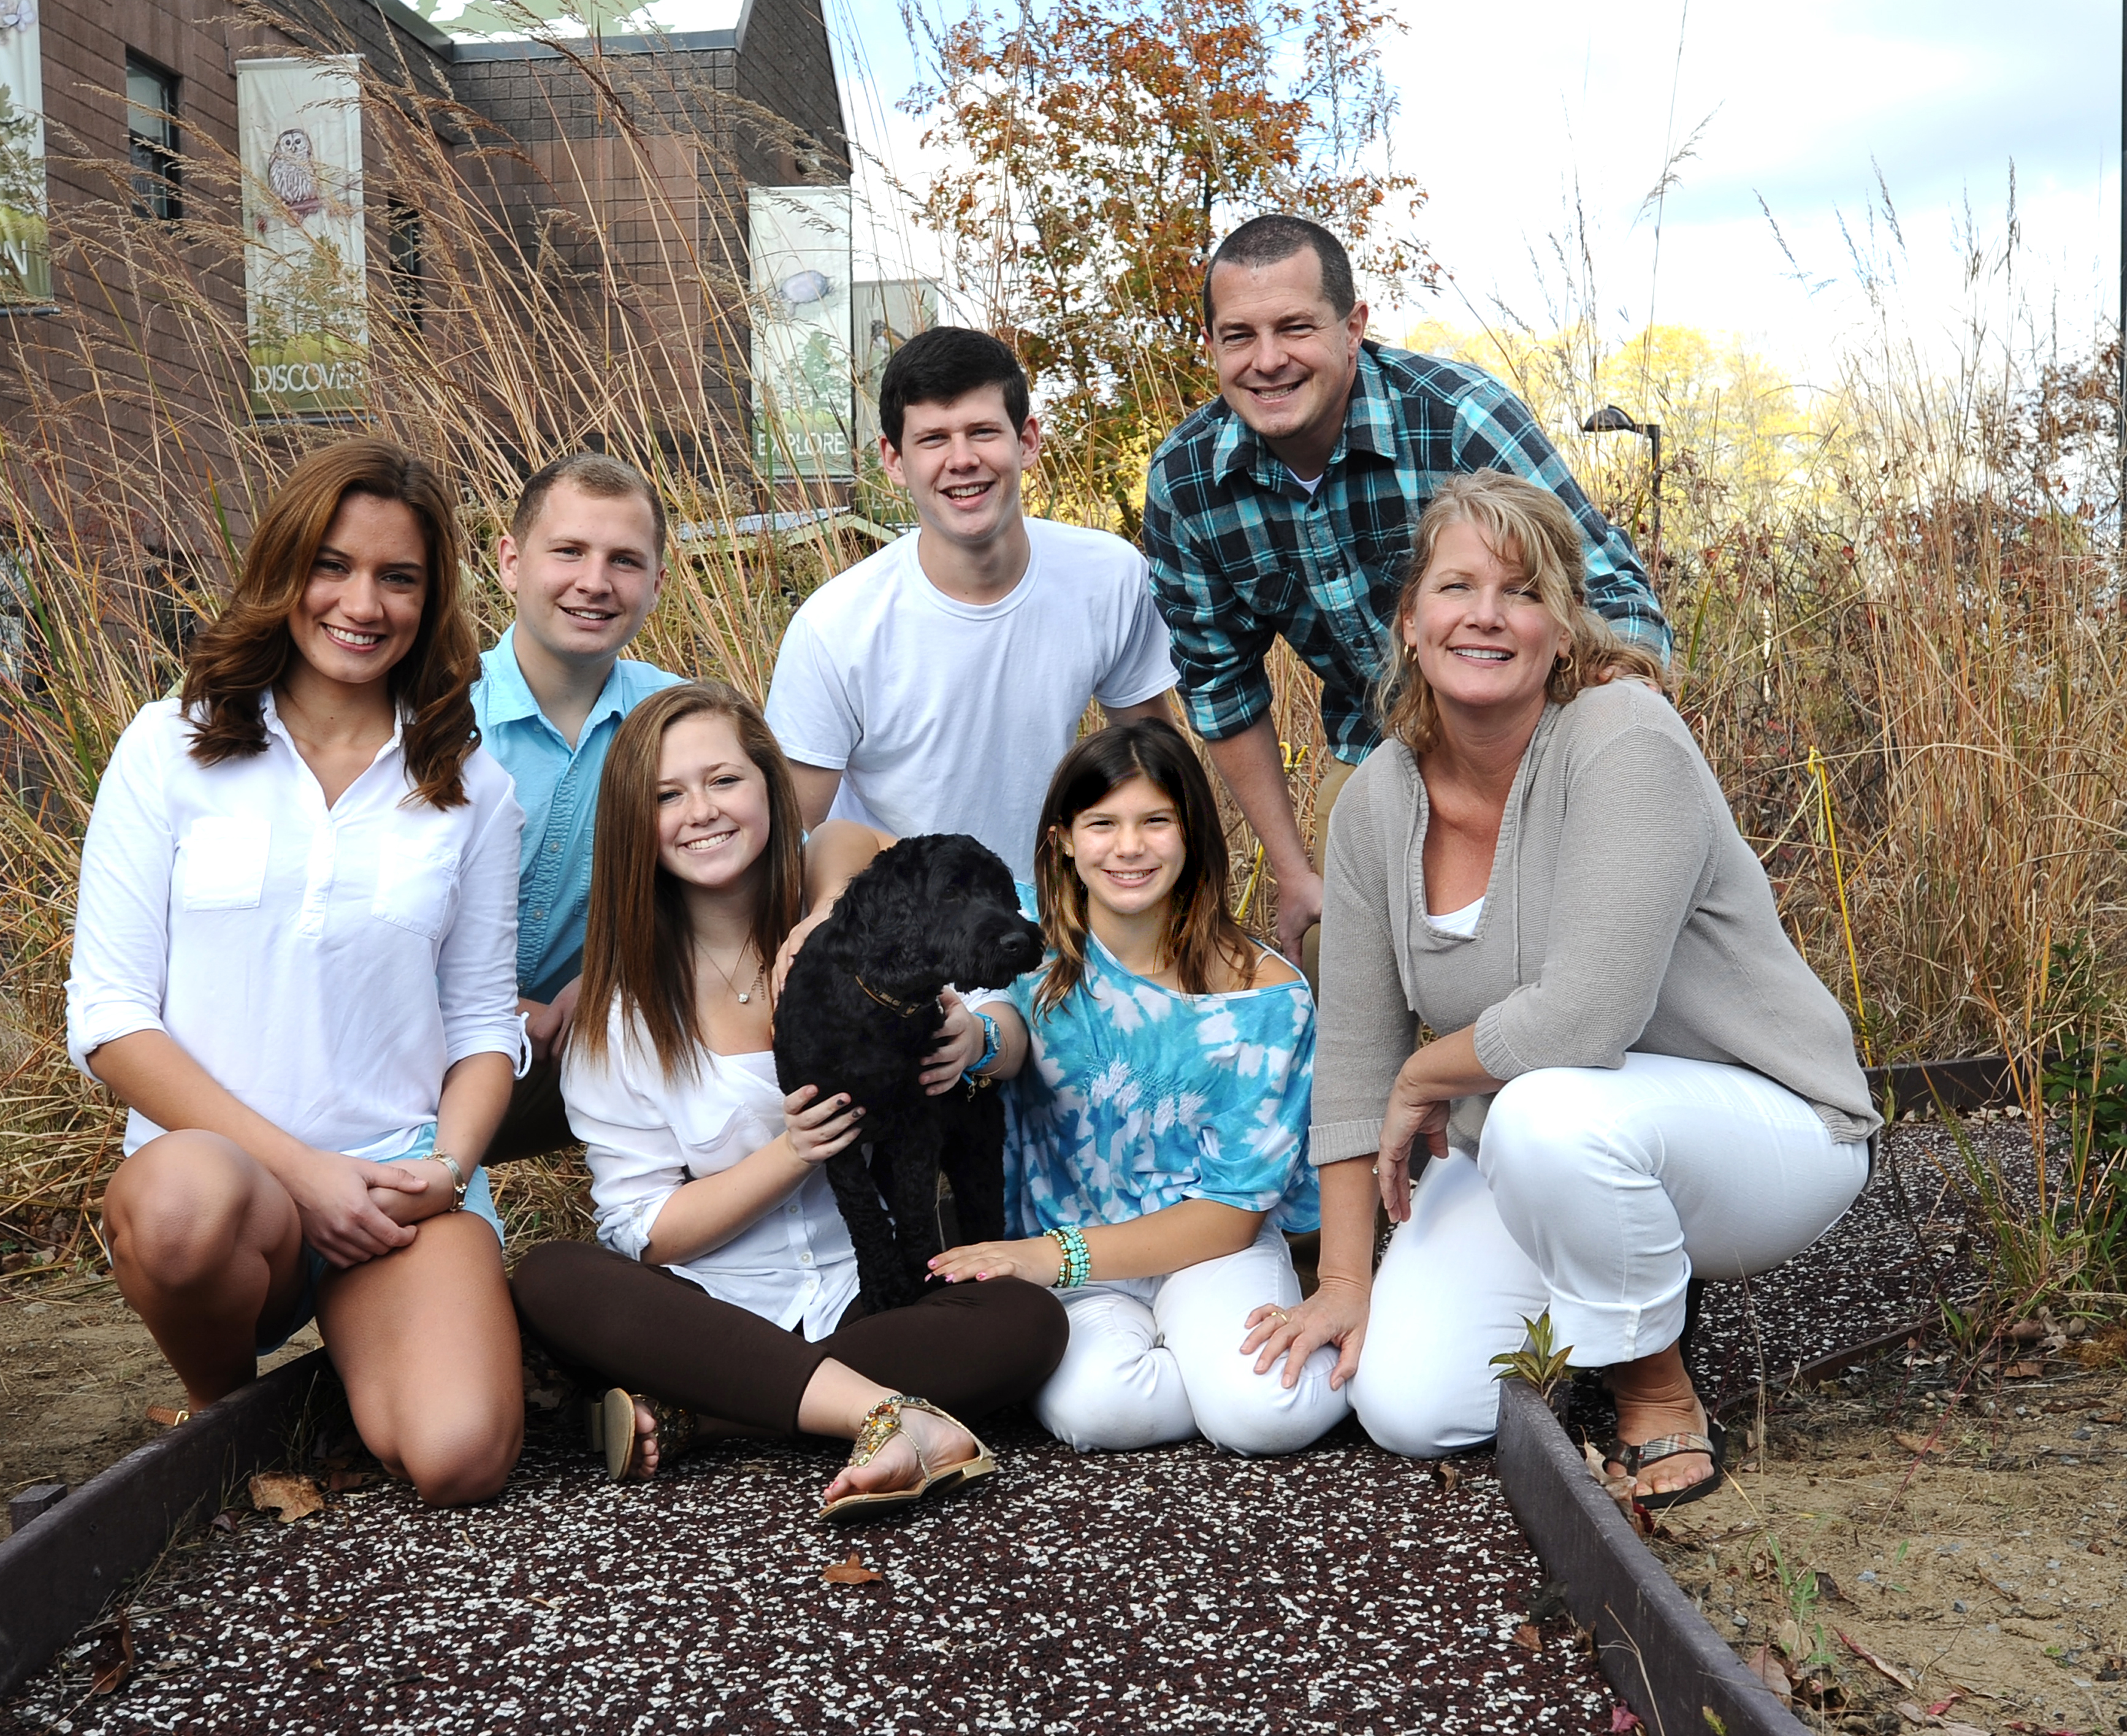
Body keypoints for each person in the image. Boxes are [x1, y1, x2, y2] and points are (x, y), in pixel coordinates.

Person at [1245, 471, 1874, 1505]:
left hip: (1760, 1131)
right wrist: (1347, 1282)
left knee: (1549, 1110)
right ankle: (1609, 1281)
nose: (1485, 616)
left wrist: (1426, 1071)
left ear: (1561, 627)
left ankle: (1654, 1386)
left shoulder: (1622, 736)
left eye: (1521, 591)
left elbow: (1589, 1016)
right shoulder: (1371, 805)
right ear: (1409, 622)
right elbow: (1355, 1055)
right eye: (1455, 588)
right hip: (1538, 1144)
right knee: (1411, 1406)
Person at [69, 438, 529, 1507]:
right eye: (332, 564)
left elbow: (482, 1025)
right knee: (181, 1205)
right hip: (231, 1192)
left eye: (397, 576)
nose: (360, 602)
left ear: (433, 594)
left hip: (392, 1187)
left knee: (461, 1456)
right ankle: (230, 1419)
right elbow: (109, 1016)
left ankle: (361, 1360)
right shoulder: (168, 747)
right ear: (285, 570)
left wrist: (448, 1169)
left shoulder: (469, 785)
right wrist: (298, 1171)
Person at [509, 682, 1068, 1518]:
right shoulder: (620, 1014)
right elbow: (648, 1233)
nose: (701, 811)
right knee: (555, 1276)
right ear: (635, 821)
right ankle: (880, 1410)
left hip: (865, 1296)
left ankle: (715, 1413)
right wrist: (793, 1152)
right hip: (709, 1311)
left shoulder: (854, 935)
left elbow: (876, 859)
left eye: (724, 781)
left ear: (770, 788)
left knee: (1028, 1320)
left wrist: (972, 1037)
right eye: (667, 795)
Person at [1143, 213, 1672, 972]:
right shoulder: (1187, 481)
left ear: (1352, 325)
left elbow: (1612, 593)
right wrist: (1295, 874)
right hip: (1377, 743)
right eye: (1238, 336)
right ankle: (1386, 1089)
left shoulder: (1457, 417)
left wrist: (1608, 759)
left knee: (1582, 955)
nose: (1267, 361)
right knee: (1331, 948)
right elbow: (1219, 686)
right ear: (1211, 347)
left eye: (1295, 328)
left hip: (1538, 730)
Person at [928, 720, 1348, 1456]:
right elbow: (1005, 1024)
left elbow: (1226, 1217)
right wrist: (976, 1041)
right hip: (1074, 1258)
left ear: (1191, 835)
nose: (1128, 848)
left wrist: (1043, 1259)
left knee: (1263, 1417)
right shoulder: (1026, 939)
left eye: (1155, 821)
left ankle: (1364, 1351)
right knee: (1102, 1412)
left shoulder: (1266, 1000)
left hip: (1206, 1253)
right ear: (1062, 838)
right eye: (1102, 824)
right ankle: (1199, 1372)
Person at [766, 325, 1178, 873]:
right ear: (893, 459)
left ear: (1026, 441)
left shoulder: (1110, 577)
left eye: (983, 432)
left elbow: (1153, 765)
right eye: (933, 439)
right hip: (903, 918)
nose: (961, 460)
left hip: (1062, 904)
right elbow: (793, 835)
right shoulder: (835, 626)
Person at [471, 452, 687, 1162]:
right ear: (509, 561)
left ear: (656, 583)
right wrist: (496, 1013)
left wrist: (611, 987)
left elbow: (767, 880)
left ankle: (716, 1251)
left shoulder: (681, 721)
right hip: (408, 1045)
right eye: (567, 552)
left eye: (624, 561)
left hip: (586, 1051)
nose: (593, 583)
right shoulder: (430, 716)